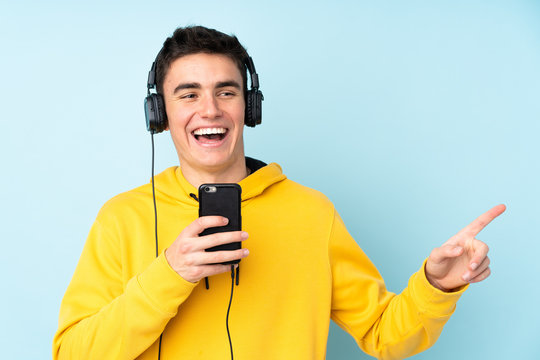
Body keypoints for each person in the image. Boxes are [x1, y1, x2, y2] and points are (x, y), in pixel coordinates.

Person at [53, 25, 505, 360]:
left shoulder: (311, 212)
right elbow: (73, 353)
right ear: (160, 113)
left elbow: (387, 334)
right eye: (188, 95)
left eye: (225, 92)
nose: (209, 109)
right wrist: (168, 274)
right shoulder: (121, 218)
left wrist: (438, 285)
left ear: (249, 107)